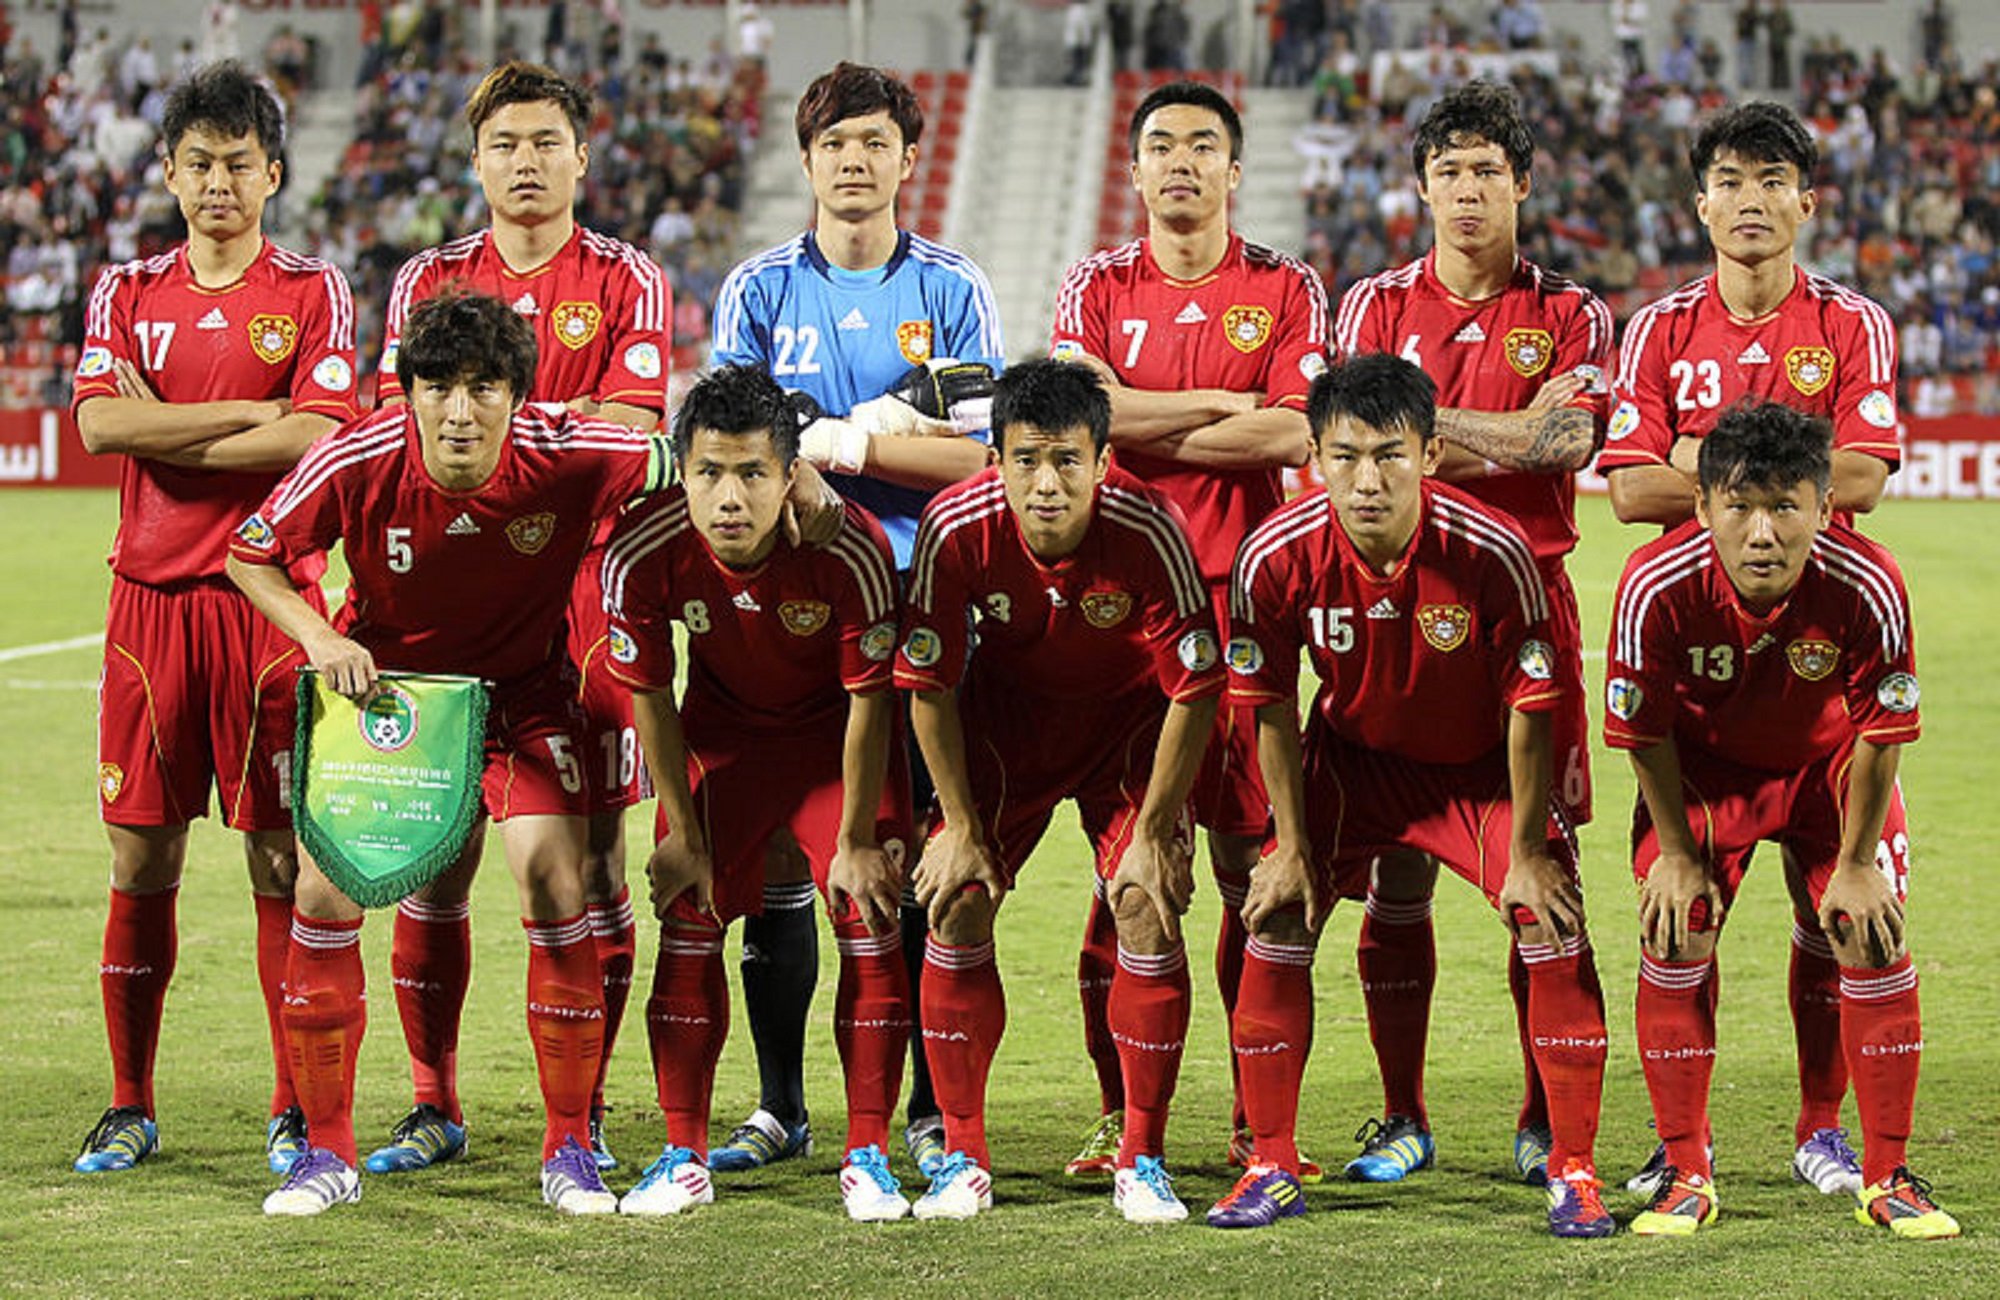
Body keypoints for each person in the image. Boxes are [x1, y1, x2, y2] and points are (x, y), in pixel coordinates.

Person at [227, 289, 670, 1217]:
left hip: (525, 698)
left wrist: (807, 475)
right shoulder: (358, 453)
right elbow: (250, 552)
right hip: (391, 698)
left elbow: (692, 462)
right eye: (437, 388)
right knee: (322, 891)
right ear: (409, 393)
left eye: (484, 388)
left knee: (555, 879)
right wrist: (317, 636)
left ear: (519, 395)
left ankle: (570, 1149)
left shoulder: (574, 446)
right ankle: (329, 1153)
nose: (460, 411)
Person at [1211, 354, 1611, 1238]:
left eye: (1390, 455)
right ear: (1312, 456)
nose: (1366, 480)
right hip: (1355, 762)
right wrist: (1288, 841)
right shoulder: (1274, 555)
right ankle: (1271, 1162)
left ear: (1430, 455)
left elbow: (1532, 705)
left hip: (1478, 770)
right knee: (1276, 915)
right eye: (1344, 456)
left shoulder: (1494, 551)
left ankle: (1575, 1168)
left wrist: (1534, 849)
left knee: (1553, 919)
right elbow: (1271, 708)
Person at [369, 60, 673, 1177]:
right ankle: (431, 1103)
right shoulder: (427, 280)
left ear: (581, 156)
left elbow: (633, 430)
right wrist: (552, 423)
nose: (526, 162)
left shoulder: (626, 275)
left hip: (588, 597)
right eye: (505, 144)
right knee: (431, 855)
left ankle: (581, 1110)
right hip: (448, 597)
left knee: (592, 864)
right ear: (476, 157)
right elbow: (410, 429)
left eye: (547, 142)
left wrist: (489, 419)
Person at [1601, 100, 1902, 1199]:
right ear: (1697, 203)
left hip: (1822, 667)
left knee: (1844, 917)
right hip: (1697, 672)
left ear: (1806, 203)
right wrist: (1769, 473)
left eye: (1771, 180)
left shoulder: (1852, 323)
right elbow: (1625, 488)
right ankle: (1683, 1142)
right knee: (1678, 915)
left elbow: (1864, 478)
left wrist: (1696, 462)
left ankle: (1820, 1128)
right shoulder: (1656, 330)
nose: (1748, 201)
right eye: (1727, 180)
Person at [709, 61, 1004, 1178]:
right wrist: (809, 470)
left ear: (907, 159)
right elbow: (730, 454)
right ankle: (780, 1107)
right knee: (790, 857)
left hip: (924, 601)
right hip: (793, 604)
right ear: (804, 159)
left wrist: (839, 444)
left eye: (873, 141)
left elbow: (977, 452)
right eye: (833, 143)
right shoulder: (756, 292)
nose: (852, 160)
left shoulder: (951, 288)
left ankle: (926, 1108)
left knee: (923, 859)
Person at [69, 61, 359, 1177]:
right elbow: (97, 429)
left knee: (281, 863)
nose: (219, 181)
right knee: (141, 857)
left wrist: (168, 427)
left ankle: (292, 1108)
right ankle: (130, 1103)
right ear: (169, 173)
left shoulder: (313, 289)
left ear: (273, 172)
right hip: (149, 614)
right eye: (199, 162)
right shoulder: (123, 290)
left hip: (272, 607)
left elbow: (318, 435)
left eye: (239, 162)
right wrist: (250, 408)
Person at [1330, 81, 1611, 1188]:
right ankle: (1401, 1114)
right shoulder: (1369, 307)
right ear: (1418, 187)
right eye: (1445, 170)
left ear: (1521, 183)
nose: (1464, 189)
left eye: (1485, 169)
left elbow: (1566, 437)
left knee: (1540, 870)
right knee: (1394, 873)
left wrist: (1422, 424)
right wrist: (1497, 434)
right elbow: (1358, 445)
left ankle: (1544, 1118)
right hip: (1393, 608)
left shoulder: (1572, 311)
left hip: (1525, 615)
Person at [1049, 78, 1328, 1179]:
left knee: (1249, 866)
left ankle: (1261, 1127)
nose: (1178, 161)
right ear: (1131, 171)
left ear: (1232, 168)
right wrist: (1222, 404)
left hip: (1242, 610)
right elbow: (1087, 420)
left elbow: (1294, 430)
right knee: (1130, 865)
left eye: (1200, 145)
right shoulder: (1093, 283)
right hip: (1122, 620)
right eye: (1158, 145)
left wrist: (1147, 414)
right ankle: (1125, 1116)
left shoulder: (1284, 283)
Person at [1605, 402, 1956, 1240]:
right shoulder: (1653, 584)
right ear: (1702, 508)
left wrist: (1859, 859)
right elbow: (1644, 732)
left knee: (1868, 928)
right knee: (1676, 922)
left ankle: (1886, 1172)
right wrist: (1680, 853)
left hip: (1825, 772)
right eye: (1740, 506)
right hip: (1704, 775)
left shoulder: (1869, 580)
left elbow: (1879, 731)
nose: (1762, 532)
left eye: (1786, 506)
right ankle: (1686, 1168)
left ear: (1825, 508)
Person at [896, 359, 1223, 1223]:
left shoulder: (1152, 528)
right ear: (994, 459)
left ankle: (1141, 1158)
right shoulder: (954, 527)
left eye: (1068, 460)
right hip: (1009, 733)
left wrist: (1156, 826)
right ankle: (963, 1157)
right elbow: (926, 683)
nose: (1047, 483)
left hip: (1126, 732)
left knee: (1146, 900)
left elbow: (1195, 686)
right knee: (958, 897)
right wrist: (961, 824)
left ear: (1103, 461)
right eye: (1026, 459)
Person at [598, 363, 913, 1222]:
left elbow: (867, 700)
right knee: (689, 910)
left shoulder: (849, 548)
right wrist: (680, 829)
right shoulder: (642, 548)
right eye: (709, 473)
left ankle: (868, 1154)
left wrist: (853, 838)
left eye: (752, 474)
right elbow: (652, 697)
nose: (729, 498)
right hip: (721, 739)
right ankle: (681, 1151)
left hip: (830, 746)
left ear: (790, 476)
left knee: (868, 912)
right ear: (682, 469)